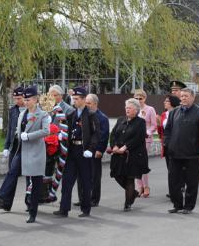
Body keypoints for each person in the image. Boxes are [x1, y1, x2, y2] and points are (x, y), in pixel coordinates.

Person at [0, 86, 50, 223]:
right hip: (21, 150)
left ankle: (33, 212)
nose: (26, 102)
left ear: (35, 99)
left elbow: (46, 131)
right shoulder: (22, 114)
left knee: (35, 182)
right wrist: (10, 144)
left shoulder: (43, 114)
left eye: (28, 99)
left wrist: (29, 135)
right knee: (12, 172)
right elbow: (15, 130)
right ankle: (1, 196)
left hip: (35, 153)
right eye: (25, 99)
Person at [163, 88, 199, 214]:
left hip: (192, 154)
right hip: (175, 153)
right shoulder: (174, 113)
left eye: (186, 96)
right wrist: (168, 143)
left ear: (193, 97)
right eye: (182, 96)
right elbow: (167, 131)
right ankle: (177, 204)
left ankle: (188, 206)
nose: (183, 98)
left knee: (191, 181)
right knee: (173, 181)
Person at [54, 87, 99, 218]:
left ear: (84, 99)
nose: (74, 101)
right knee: (67, 180)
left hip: (84, 151)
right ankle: (64, 208)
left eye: (77, 99)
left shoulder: (91, 115)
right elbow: (65, 128)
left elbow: (96, 134)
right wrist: (61, 136)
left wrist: (91, 149)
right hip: (72, 150)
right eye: (73, 98)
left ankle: (86, 209)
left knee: (85, 181)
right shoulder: (72, 114)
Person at [109, 98, 150, 211]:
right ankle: (134, 192)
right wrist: (115, 146)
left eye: (130, 108)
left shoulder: (140, 122)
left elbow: (138, 138)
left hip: (133, 155)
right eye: (126, 107)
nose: (127, 109)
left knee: (129, 179)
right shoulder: (121, 120)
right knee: (117, 175)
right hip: (118, 154)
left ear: (136, 110)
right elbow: (113, 134)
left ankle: (128, 203)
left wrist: (125, 147)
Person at [85, 94, 109, 206]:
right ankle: (84, 197)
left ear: (95, 104)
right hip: (85, 150)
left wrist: (100, 150)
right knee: (84, 176)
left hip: (95, 151)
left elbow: (103, 136)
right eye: (86, 103)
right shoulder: (84, 115)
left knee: (94, 176)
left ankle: (94, 199)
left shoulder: (102, 118)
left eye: (89, 103)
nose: (86, 105)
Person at [133, 89, 157, 198]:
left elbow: (154, 125)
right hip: (134, 139)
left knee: (142, 162)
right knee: (135, 162)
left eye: (140, 98)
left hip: (145, 139)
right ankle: (139, 186)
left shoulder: (150, 109)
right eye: (136, 98)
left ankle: (146, 186)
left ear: (144, 98)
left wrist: (148, 131)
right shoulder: (133, 109)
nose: (138, 100)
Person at [157, 94, 180, 198]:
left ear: (172, 103)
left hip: (177, 145)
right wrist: (158, 124)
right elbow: (160, 133)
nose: (164, 102)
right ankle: (173, 190)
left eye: (167, 101)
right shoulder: (163, 114)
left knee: (176, 168)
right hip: (166, 144)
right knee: (170, 169)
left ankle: (178, 188)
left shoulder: (178, 113)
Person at [3, 86, 25, 168]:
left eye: (19, 98)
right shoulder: (13, 110)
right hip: (14, 144)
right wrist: (6, 147)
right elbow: (10, 129)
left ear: (24, 96)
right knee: (11, 171)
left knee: (27, 173)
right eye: (15, 98)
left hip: (26, 144)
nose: (16, 101)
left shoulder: (30, 110)